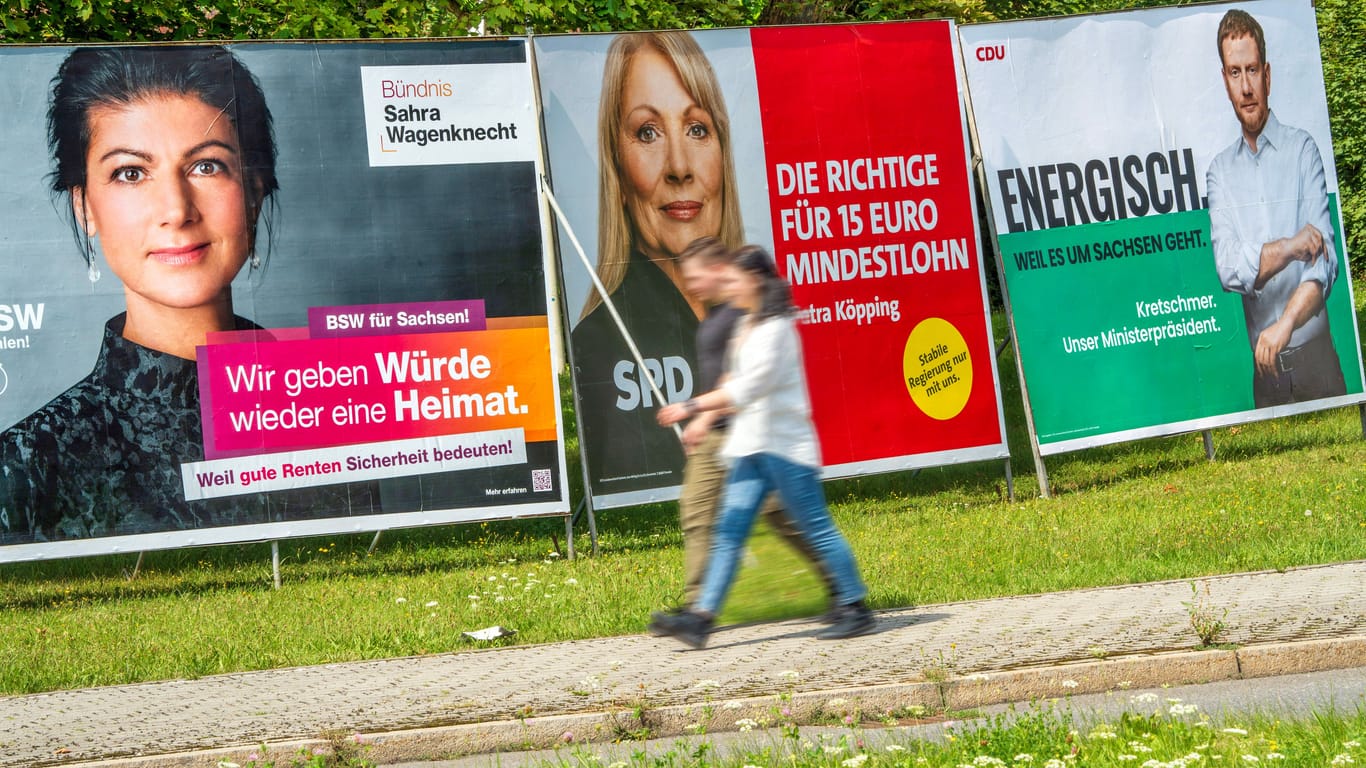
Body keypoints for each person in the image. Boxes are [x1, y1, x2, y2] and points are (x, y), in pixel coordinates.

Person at [0, 46, 374, 543]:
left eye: (207, 166)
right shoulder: (26, 463)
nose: (176, 210)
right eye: (130, 172)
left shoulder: (339, 415)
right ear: (85, 207)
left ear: (256, 192)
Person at [652, 245, 875, 649]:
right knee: (729, 531)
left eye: (734, 279)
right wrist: (703, 415)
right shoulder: (747, 325)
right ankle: (700, 620)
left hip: (785, 449)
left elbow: (749, 387)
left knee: (817, 529)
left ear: (754, 280)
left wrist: (690, 406)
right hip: (750, 448)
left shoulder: (777, 330)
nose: (728, 286)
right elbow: (733, 383)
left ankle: (855, 606)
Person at [570, 31, 745, 498]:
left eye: (697, 129)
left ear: (723, 153)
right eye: (647, 132)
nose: (679, 167)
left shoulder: (760, 309)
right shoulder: (600, 342)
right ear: (617, 168)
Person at [1205, 9, 1346, 408]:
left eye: (1252, 70)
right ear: (1225, 80)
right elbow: (1228, 267)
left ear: (1267, 74)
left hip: (1317, 361)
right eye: (1235, 73)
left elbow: (1325, 263)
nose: (1246, 86)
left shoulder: (1303, 151)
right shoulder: (1219, 173)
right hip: (1264, 380)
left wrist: (1284, 325)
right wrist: (1289, 247)